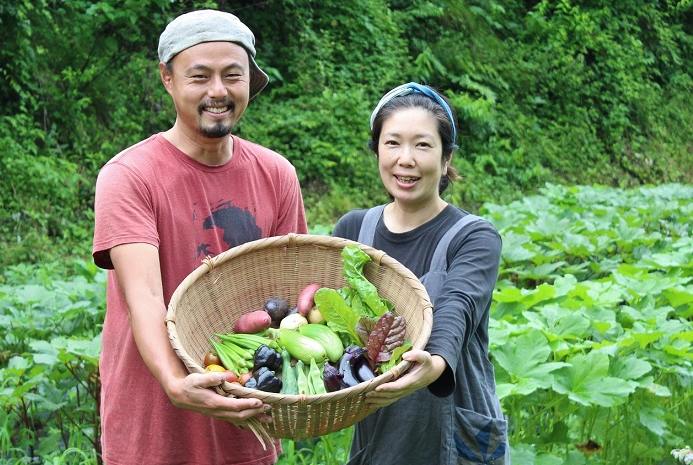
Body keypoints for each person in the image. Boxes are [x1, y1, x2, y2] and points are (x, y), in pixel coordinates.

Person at [92, 9, 307, 465]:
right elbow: (145, 296)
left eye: (233, 75)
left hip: (246, 419)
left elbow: (287, 303)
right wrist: (176, 384)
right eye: (200, 76)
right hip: (153, 428)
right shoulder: (130, 176)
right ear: (167, 78)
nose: (218, 92)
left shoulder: (276, 175)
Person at [332, 82, 509, 464]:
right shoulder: (353, 231)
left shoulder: (474, 236)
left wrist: (435, 363)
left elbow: (456, 306)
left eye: (423, 145)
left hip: (456, 426)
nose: (405, 159)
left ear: (446, 160)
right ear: (376, 149)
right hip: (380, 431)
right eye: (392, 143)